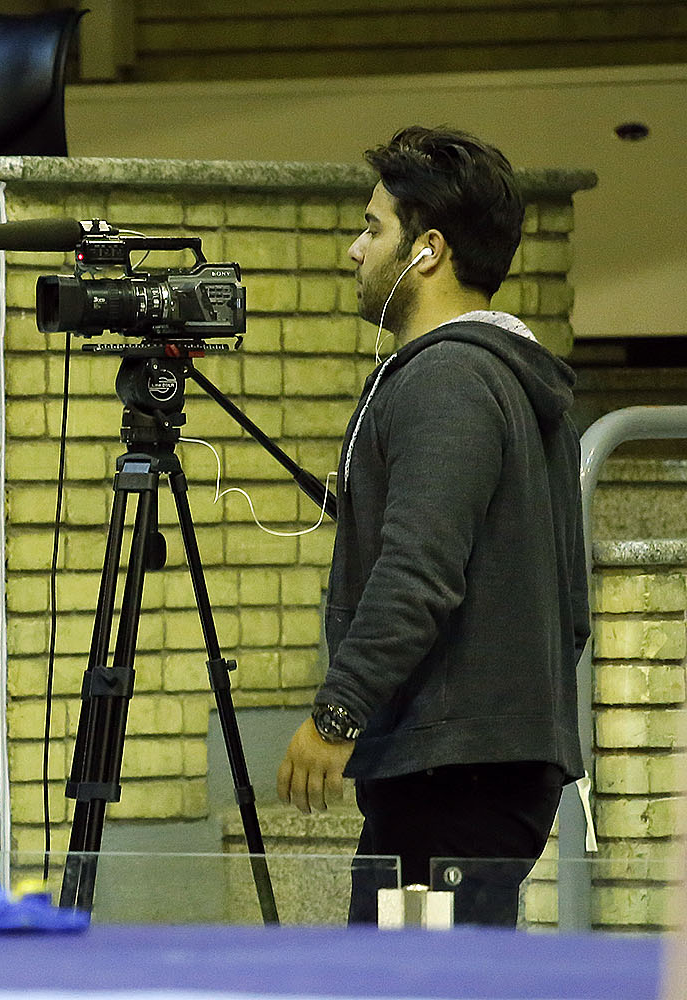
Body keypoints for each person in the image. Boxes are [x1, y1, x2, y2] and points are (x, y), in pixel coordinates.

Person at [275, 126, 587, 927]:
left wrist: (338, 713)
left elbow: (418, 571)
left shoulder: (448, 377)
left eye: (373, 228)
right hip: (475, 767)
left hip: (453, 773)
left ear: (428, 250)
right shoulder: (503, 376)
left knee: (405, 979)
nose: (355, 250)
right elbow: (570, 609)